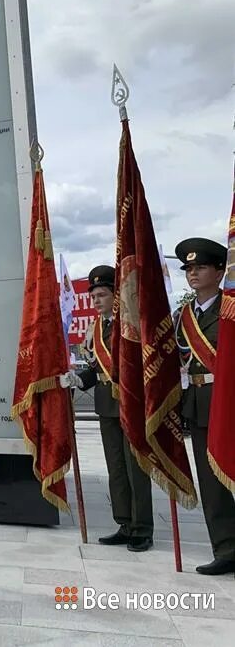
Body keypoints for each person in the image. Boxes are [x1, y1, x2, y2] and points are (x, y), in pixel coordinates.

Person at [65, 265, 153, 552]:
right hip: (105, 402)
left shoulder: (130, 323)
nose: (96, 300)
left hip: (129, 401)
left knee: (134, 468)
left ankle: (142, 528)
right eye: (93, 296)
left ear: (117, 295)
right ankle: (124, 523)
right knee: (115, 467)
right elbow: (96, 366)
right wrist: (78, 379)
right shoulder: (97, 327)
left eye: (102, 294)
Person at [174, 238, 235, 575]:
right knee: (212, 483)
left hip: (229, 402)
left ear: (220, 271)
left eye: (200, 268)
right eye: (189, 269)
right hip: (198, 406)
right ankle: (226, 548)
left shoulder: (231, 307)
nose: (193, 273)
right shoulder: (183, 315)